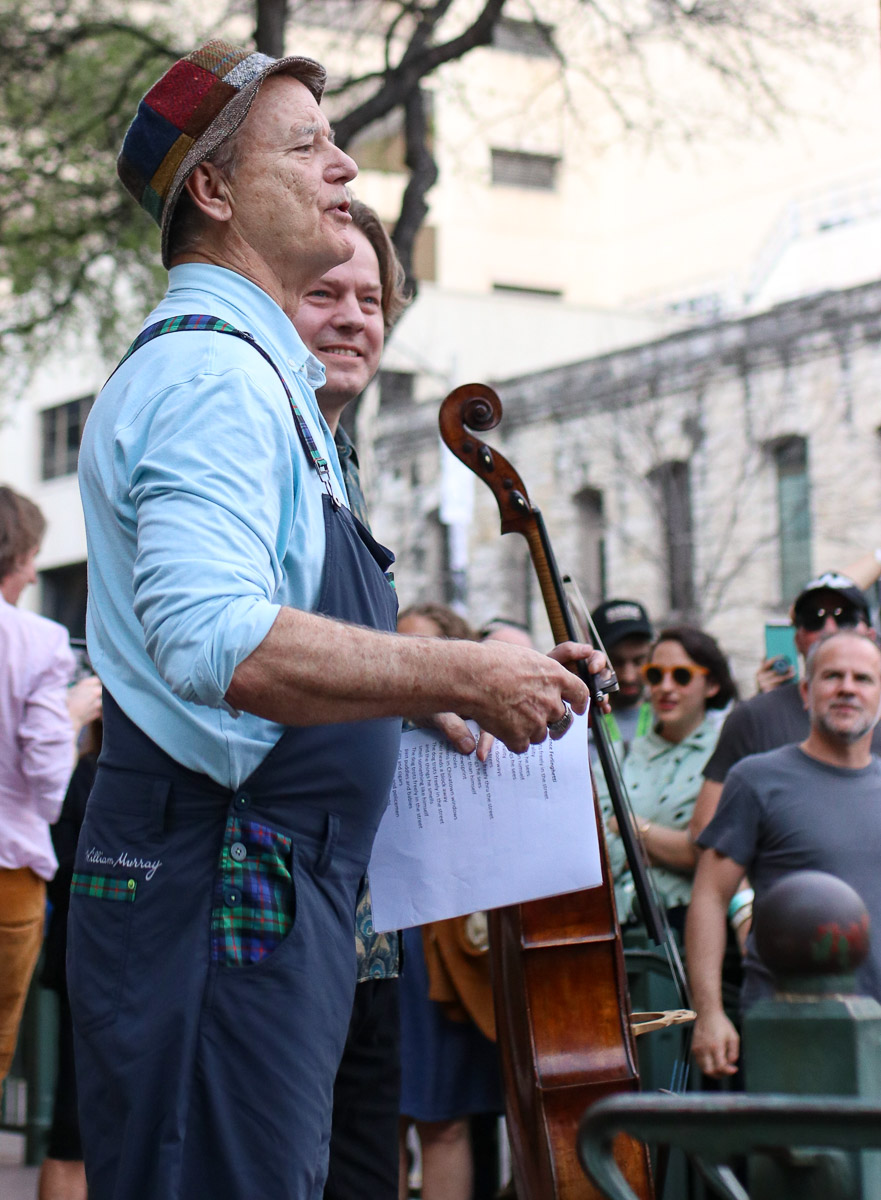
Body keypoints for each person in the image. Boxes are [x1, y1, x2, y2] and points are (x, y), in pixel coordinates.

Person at [73, 39, 604, 1200]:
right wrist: (459, 679)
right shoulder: (214, 379)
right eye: (306, 143)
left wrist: (455, 683)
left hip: (252, 892)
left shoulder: (257, 379)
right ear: (212, 192)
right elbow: (221, 640)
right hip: (217, 889)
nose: (346, 168)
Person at [292, 197, 409, 1200]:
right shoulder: (265, 448)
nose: (352, 318)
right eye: (320, 292)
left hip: (367, 924)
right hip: (279, 913)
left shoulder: (349, 465)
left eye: (369, 298)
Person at [686, 630, 881, 1079]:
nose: (847, 687)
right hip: (790, 1032)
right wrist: (710, 1013)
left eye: (863, 678)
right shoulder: (756, 779)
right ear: (806, 693)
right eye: (832, 676)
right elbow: (710, 897)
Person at [396, 604, 503, 1200]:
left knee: (444, 1117)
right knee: (374, 1117)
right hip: (368, 936)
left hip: (446, 941)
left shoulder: (475, 737)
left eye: (424, 651)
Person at [0, 486, 100, 1093]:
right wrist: (69, 718)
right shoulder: (36, 643)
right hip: (9, 871)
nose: (35, 571)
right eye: (31, 556)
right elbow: (45, 782)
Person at [689, 573, 881, 849]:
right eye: (814, 618)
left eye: (845, 616)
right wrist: (749, 892)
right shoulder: (754, 717)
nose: (829, 627)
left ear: (870, 634)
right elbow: (707, 832)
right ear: (798, 637)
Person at [604, 626, 737, 935]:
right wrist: (672, 845)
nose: (665, 687)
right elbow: (595, 854)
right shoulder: (618, 756)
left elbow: (707, 854)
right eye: (655, 675)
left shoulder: (728, 755)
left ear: (712, 683)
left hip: (693, 928)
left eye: (681, 676)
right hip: (619, 930)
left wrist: (634, 828)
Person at [591, 599, 654, 756]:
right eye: (616, 663)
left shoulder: (674, 717)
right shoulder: (579, 727)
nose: (629, 677)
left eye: (639, 661)